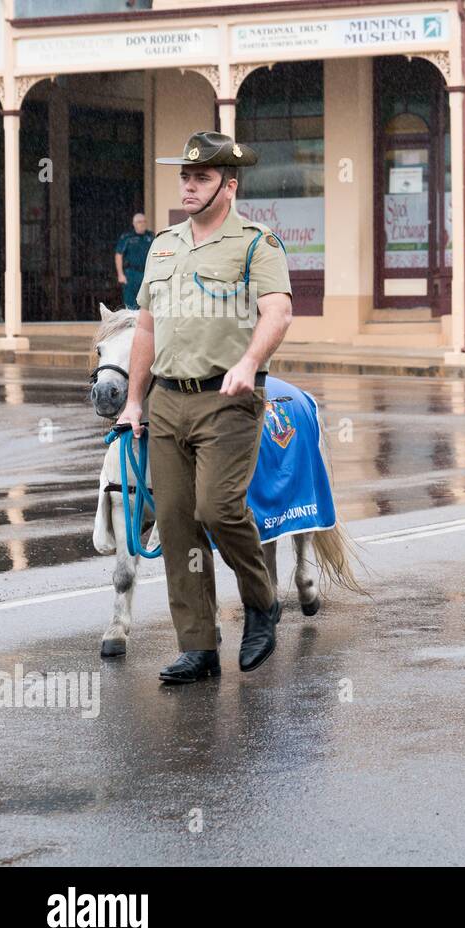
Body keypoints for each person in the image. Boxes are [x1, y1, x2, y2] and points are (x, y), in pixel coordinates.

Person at [114, 131, 293, 684]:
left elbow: (277, 312)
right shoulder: (164, 244)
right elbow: (146, 326)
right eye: (186, 177)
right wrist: (135, 401)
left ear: (228, 186)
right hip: (167, 402)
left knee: (217, 511)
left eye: (202, 178)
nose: (189, 187)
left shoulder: (257, 243)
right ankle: (199, 646)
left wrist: (249, 363)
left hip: (227, 399)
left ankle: (262, 601)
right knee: (173, 523)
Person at [114, 213, 154, 310]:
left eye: (144, 221)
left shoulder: (151, 236)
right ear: (134, 224)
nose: (142, 224)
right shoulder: (127, 237)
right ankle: (133, 324)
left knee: (147, 302)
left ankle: (145, 324)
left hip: (147, 273)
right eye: (139, 222)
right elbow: (119, 255)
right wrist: (120, 274)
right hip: (131, 273)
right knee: (131, 304)